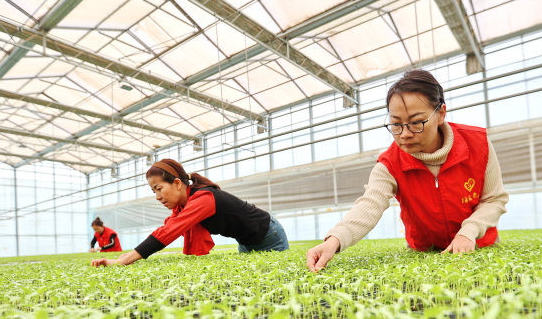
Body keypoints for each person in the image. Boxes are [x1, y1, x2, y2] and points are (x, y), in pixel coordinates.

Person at [307, 69, 509, 272]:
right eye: (396, 124)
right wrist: (334, 240)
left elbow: (494, 199)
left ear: (440, 114)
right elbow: (370, 203)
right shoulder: (390, 163)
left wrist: (469, 232)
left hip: (479, 248)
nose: (404, 134)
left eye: (416, 123)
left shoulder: (477, 144)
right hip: (423, 255)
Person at [91, 159, 288, 267]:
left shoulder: (203, 199)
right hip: (246, 240)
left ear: (177, 183)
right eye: (154, 192)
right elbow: (166, 228)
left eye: (159, 188)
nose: (157, 196)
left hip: (269, 235)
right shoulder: (183, 206)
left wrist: (121, 261)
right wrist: (127, 256)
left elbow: (170, 232)